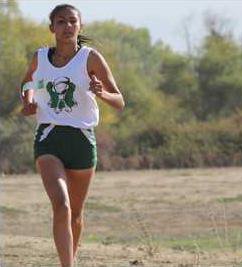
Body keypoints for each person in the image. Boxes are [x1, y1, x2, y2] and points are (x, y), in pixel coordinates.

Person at [19, 4, 124, 267]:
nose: (67, 26)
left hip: (82, 140)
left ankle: (69, 261)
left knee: (75, 213)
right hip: (49, 138)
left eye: (72, 21)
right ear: (52, 27)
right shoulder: (40, 57)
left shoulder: (91, 58)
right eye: (61, 22)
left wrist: (100, 93)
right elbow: (27, 82)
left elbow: (119, 101)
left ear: (80, 26)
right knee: (62, 205)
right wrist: (28, 100)